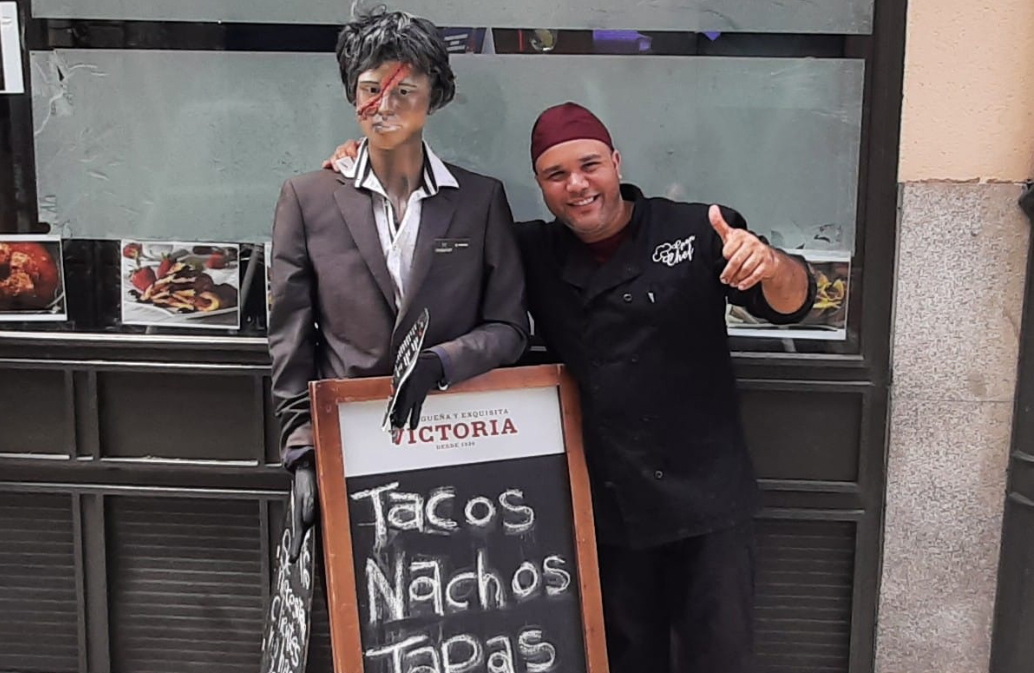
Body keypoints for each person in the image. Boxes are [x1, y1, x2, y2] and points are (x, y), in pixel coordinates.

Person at [323, 101, 816, 672]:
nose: (577, 185)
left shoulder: (696, 228)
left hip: (710, 502)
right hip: (608, 507)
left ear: (616, 163)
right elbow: (440, 236)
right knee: (623, 659)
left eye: (590, 166)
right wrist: (382, 167)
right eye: (556, 174)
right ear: (540, 185)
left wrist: (771, 263)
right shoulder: (531, 249)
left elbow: (793, 303)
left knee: (719, 658)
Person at [268, 9, 528, 561]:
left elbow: (509, 326)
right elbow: (290, 338)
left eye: (403, 91)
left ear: (434, 97)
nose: (383, 106)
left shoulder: (479, 200)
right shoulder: (307, 199)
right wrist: (302, 451)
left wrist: (442, 362)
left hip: (458, 441)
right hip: (352, 445)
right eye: (370, 90)